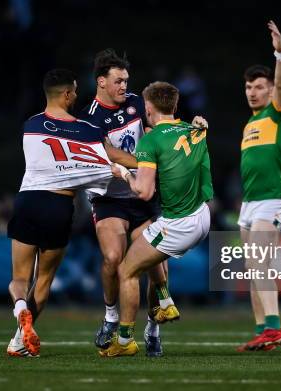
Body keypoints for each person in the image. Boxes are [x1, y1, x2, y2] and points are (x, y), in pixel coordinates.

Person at [5, 68, 121, 357]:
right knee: (43, 280)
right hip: (59, 207)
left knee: (20, 278)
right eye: (75, 91)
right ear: (68, 94)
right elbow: (105, 159)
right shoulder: (88, 131)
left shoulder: (30, 125)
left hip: (28, 201)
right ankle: (20, 340)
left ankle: (21, 312)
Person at [79, 49, 182, 357]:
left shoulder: (138, 103)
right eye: (118, 81)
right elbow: (110, 153)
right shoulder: (88, 118)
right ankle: (111, 318)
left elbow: (156, 132)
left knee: (154, 263)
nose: (124, 86)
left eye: (126, 80)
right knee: (112, 258)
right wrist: (146, 160)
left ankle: (153, 329)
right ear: (101, 82)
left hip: (142, 197)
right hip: (109, 199)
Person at [99, 81, 212, 357]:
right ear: (174, 107)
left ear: (147, 108)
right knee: (146, 248)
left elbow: (144, 191)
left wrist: (124, 174)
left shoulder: (150, 141)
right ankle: (164, 301)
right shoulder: (195, 129)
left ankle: (124, 341)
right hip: (203, 215)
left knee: (127, 271)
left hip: (178, 224)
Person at [235, 20, 281, 352]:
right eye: (248, 87)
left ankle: (275, 327)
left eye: (259, 86)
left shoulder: (276, 113)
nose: (252, 92)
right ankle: (262, 330)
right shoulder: (251, 122)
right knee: (251, 266)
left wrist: (280, 53)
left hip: (273, 199)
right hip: (250, 202)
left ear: (270, 90)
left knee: (259, 261)